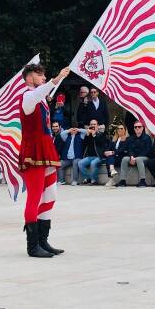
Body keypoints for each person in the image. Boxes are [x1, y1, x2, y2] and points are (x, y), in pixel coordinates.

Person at [19, 62, 70, 258]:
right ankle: (33, 246)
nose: (43, 77)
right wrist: (55, 80)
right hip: (34, 151)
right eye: (40, 75)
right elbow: (36, 95)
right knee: (34, 197)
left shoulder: (39, 98)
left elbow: (40, 95)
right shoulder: (27, 97)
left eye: (44, 75)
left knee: (50, 195)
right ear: (30, 77)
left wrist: (55, 81)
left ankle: (43, 240)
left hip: (45, 148)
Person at [116, 121, 153, 187]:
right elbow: (129, 149)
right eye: (135, 127)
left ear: (142, 128)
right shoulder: (131, 138)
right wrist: (131, 157)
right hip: (134, 157)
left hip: (145, 157)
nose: (137, 128)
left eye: (139, 127)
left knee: (138, 159)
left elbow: (148, 151)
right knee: (124, 159)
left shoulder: (147, 138)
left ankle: (142, 181)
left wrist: (135, 158)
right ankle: (122, 181)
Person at [78, 119, 109, 185]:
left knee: (93, 163)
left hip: (99, 156)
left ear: (97, 126)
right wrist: (87, 135)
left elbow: (101, 143)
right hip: (89, 156)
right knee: (80, 163)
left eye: (94, 124)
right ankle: (88, 178)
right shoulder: (88, 135)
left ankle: (94, 180)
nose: (93, 126)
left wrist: (94, 135)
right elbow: (84, 144)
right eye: (91, 124)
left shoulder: (101, 134)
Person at [52, 121, 83, 186]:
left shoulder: (80, 136)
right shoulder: (67, 137)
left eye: (75, 129)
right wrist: (69, 130)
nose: (73, 130)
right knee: (59, 164)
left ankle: (75, 180)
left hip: (77, 157)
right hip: (67, 159)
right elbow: (62, 134)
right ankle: (61, 180)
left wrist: (78, 129)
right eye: (72, 129)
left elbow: (85, 131)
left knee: (75, 162)